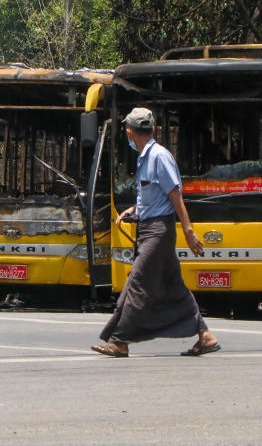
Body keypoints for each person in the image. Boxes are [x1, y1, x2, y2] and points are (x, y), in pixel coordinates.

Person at [92, 107, 220, 357]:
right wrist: (132, 210)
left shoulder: (159, 156)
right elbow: (151, 196)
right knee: (173, 286)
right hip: (149, 228)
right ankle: (205, 336)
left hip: (158, 233)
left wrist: (189, 231)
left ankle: (120, 341)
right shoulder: (143, 158)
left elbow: (175, 196)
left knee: (137, 282)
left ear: (130, 132)